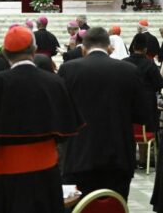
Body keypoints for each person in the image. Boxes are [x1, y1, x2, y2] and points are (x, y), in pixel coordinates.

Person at [0, 26, 83, 213]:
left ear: (5, 54)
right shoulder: (54, 83)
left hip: (6, 176)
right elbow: (69, 129)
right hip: (46, 175)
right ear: (34, 50)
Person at [59, 27, 149, 200]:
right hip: (119, 157)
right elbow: (142, 115)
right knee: (114, 210)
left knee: (80, 211)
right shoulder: (129, 70)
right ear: (109, 48)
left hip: (79, 156)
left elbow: (61, 113)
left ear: (83, 49)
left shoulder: (68, 70)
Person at [123, 33, 163, 134]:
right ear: (145, 49)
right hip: (147, 106)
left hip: (127, 105)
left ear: (133, 46)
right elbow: (159, 84)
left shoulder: (123, 63)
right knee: (145, 135)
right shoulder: (150, 64)